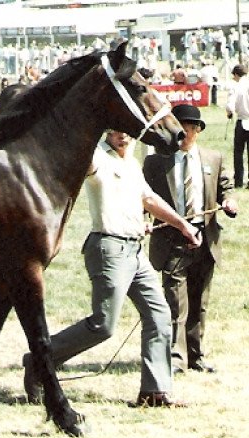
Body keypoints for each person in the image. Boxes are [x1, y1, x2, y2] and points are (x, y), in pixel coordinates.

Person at [22, 130, 202, 407]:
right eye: (117, 132)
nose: (123, 137)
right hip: (109, 249)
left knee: (159, 315)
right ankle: (39, 358)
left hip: (135, 250)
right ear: (107, 131)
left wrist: (183, 225)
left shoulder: (131, 162)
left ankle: (154, 392)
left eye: (129, 133)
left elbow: (149, 199)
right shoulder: (95, 158)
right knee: (103, 325)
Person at [143, 104, 238, 375]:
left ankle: (196, 355)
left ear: (197, 130)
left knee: (199, 302)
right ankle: (176, 359)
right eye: (179, 131)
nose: (183, 136)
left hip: (205, 239)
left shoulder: (213, 158)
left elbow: (225, 187)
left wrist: (229, 201)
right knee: (175, 302)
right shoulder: (155, 162)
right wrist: (142, 221)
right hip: (171, 239)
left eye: (188, 130)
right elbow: (143, 197)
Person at [225, 64, 249, 188]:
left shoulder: (235, 87)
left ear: (235, 74)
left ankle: (239, 181)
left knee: (238, 153)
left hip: (242, 121)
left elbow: (230, 106)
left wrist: (229, 114)